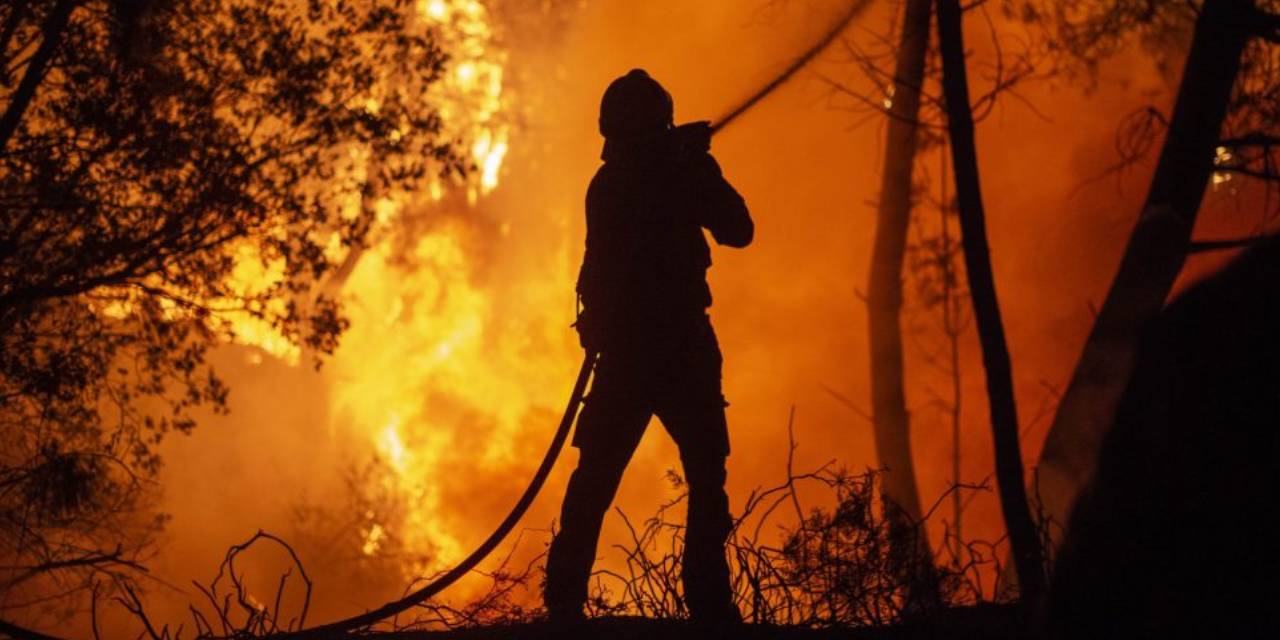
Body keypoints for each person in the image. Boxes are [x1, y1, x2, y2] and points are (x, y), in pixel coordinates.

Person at [544, 68, 753, 625]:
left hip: (645, 351)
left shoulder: (619, 181)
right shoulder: (633, 183)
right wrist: (692, 168)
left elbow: (737, 230)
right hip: (664, 347)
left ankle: (565, 610)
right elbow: (735, 229)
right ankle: (706, 609)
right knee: (694, 477)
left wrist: (696, 168)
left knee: (608, 482)